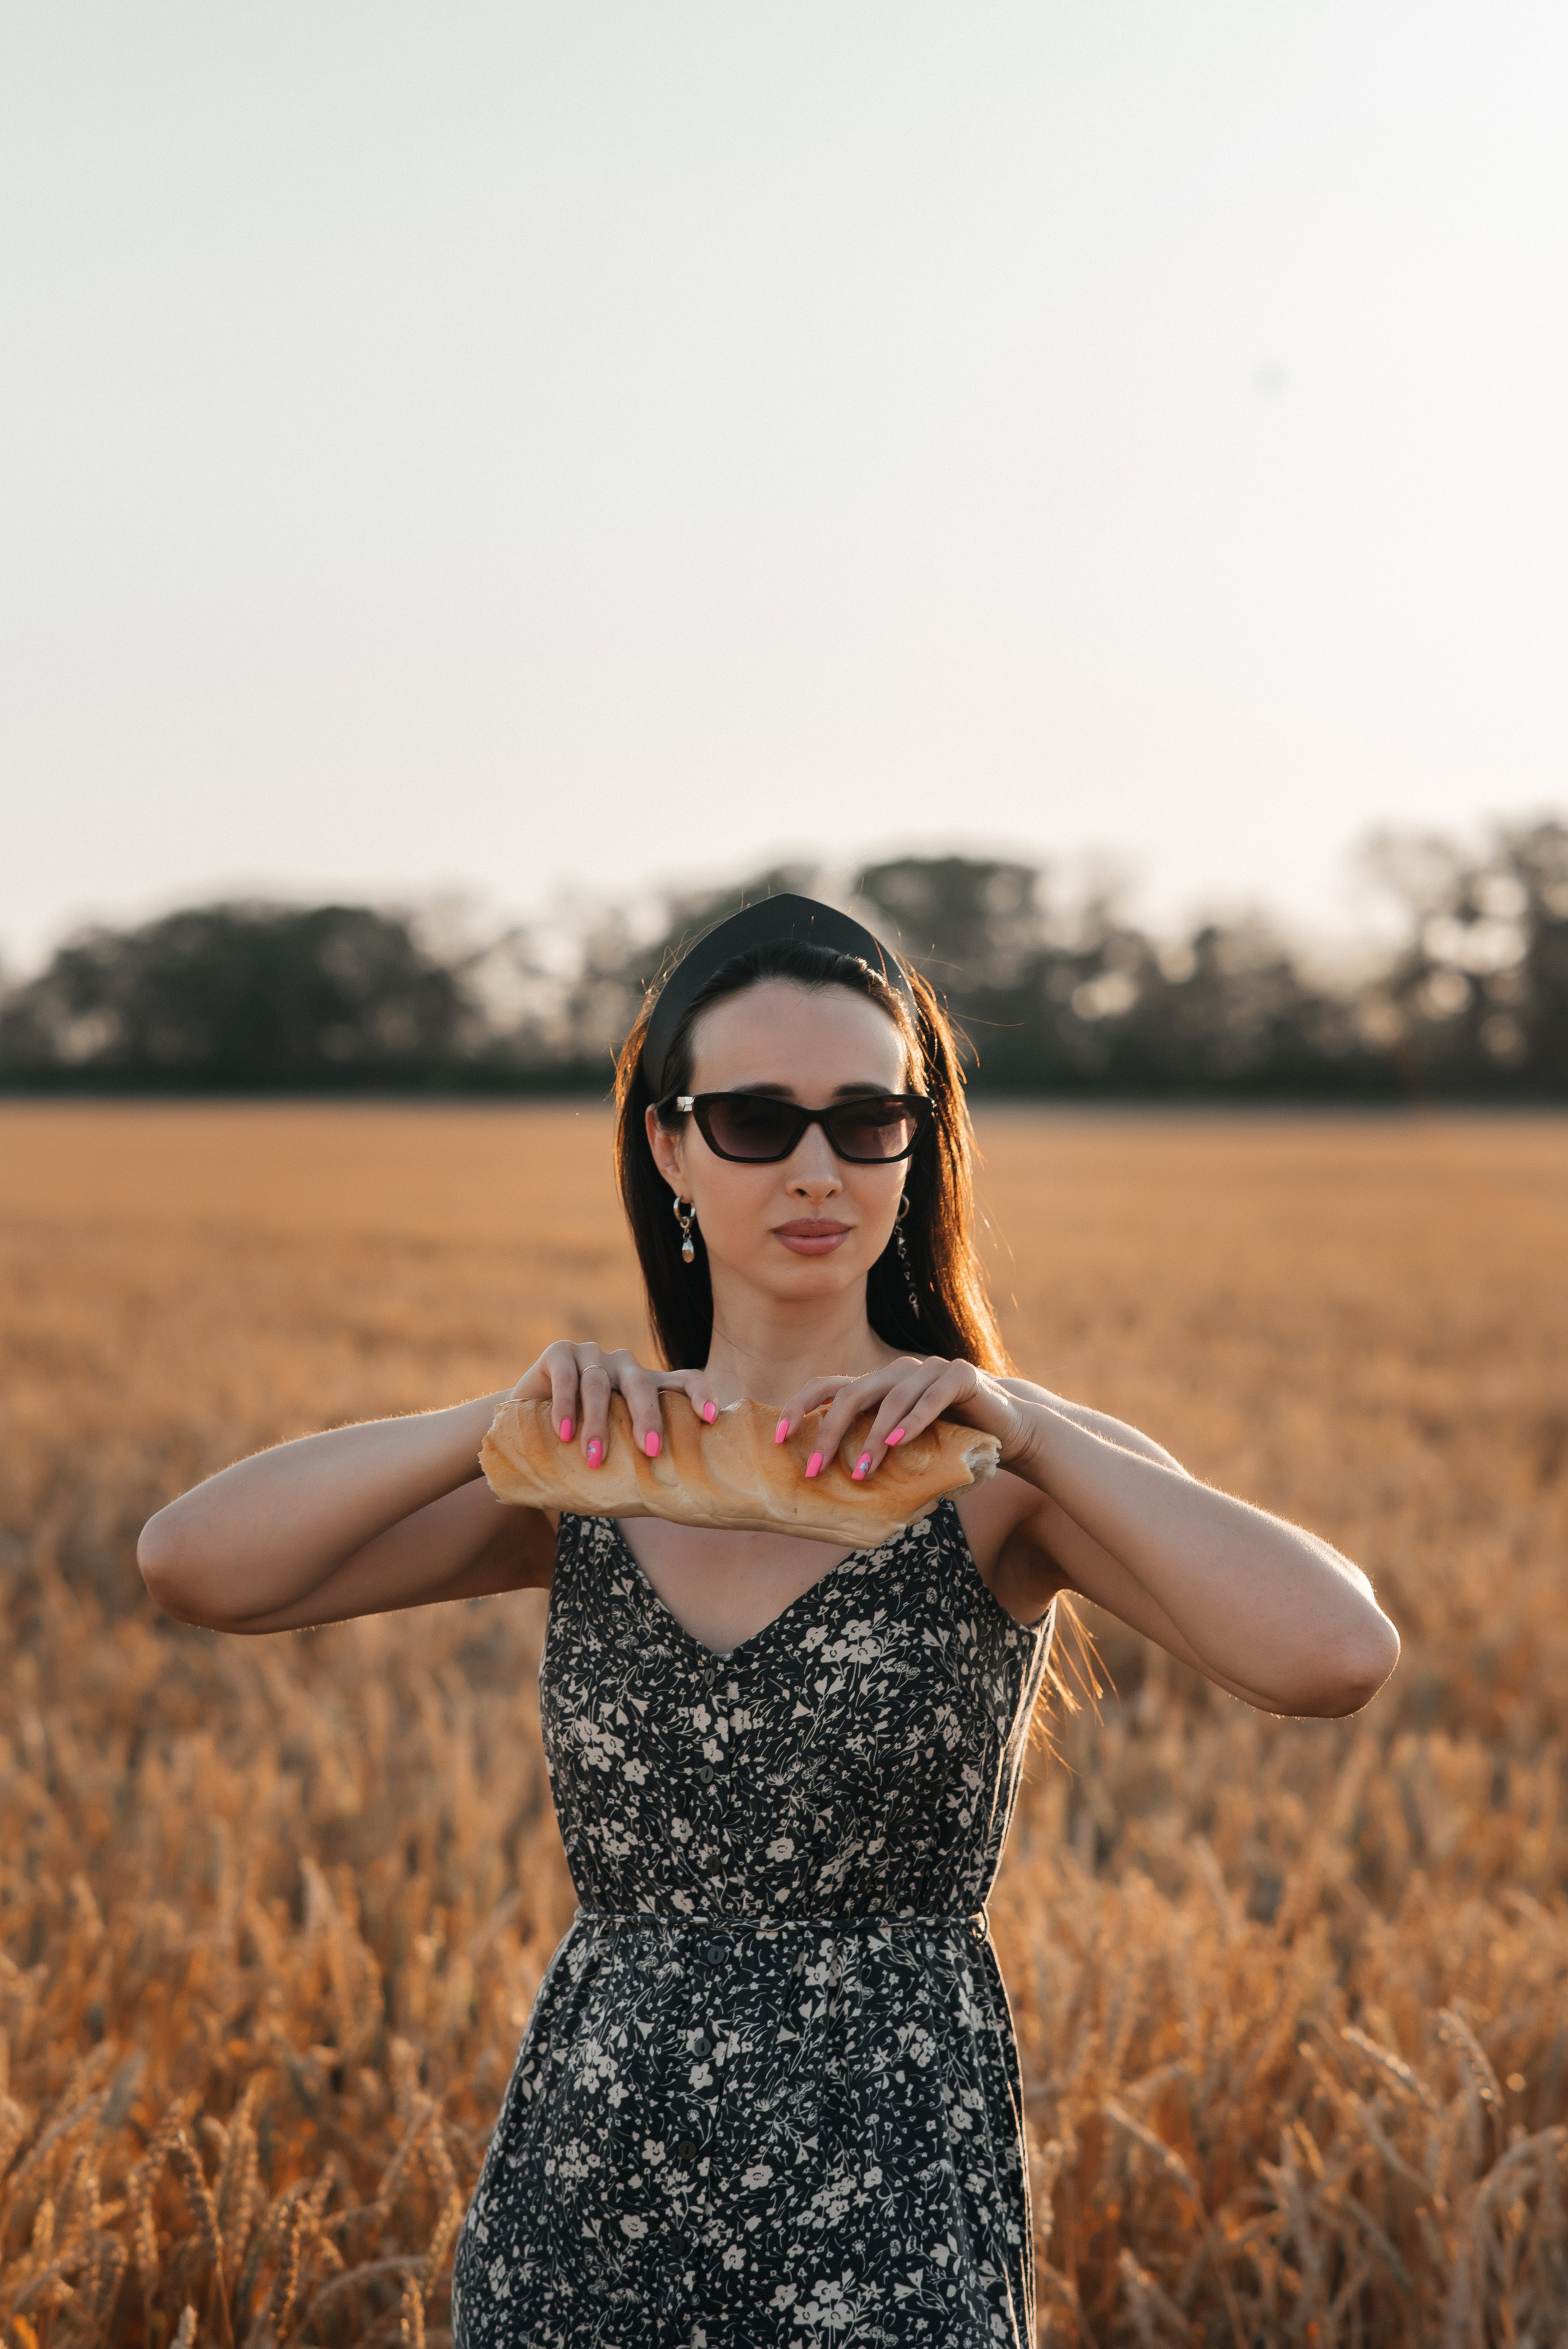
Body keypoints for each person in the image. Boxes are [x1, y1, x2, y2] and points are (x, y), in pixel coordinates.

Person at [138, 894, 1399, 2348]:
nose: (816, 1169)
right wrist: (489, 1425)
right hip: (586, 2191)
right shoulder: (597, 1475)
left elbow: (1331, 1655)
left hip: (890, 2202)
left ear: (914, 1144)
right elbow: (196, 1568)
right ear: (669, 1145)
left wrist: (1033, 1427)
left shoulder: (999, 1471)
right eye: (754, 1120)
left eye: (868, 1120)